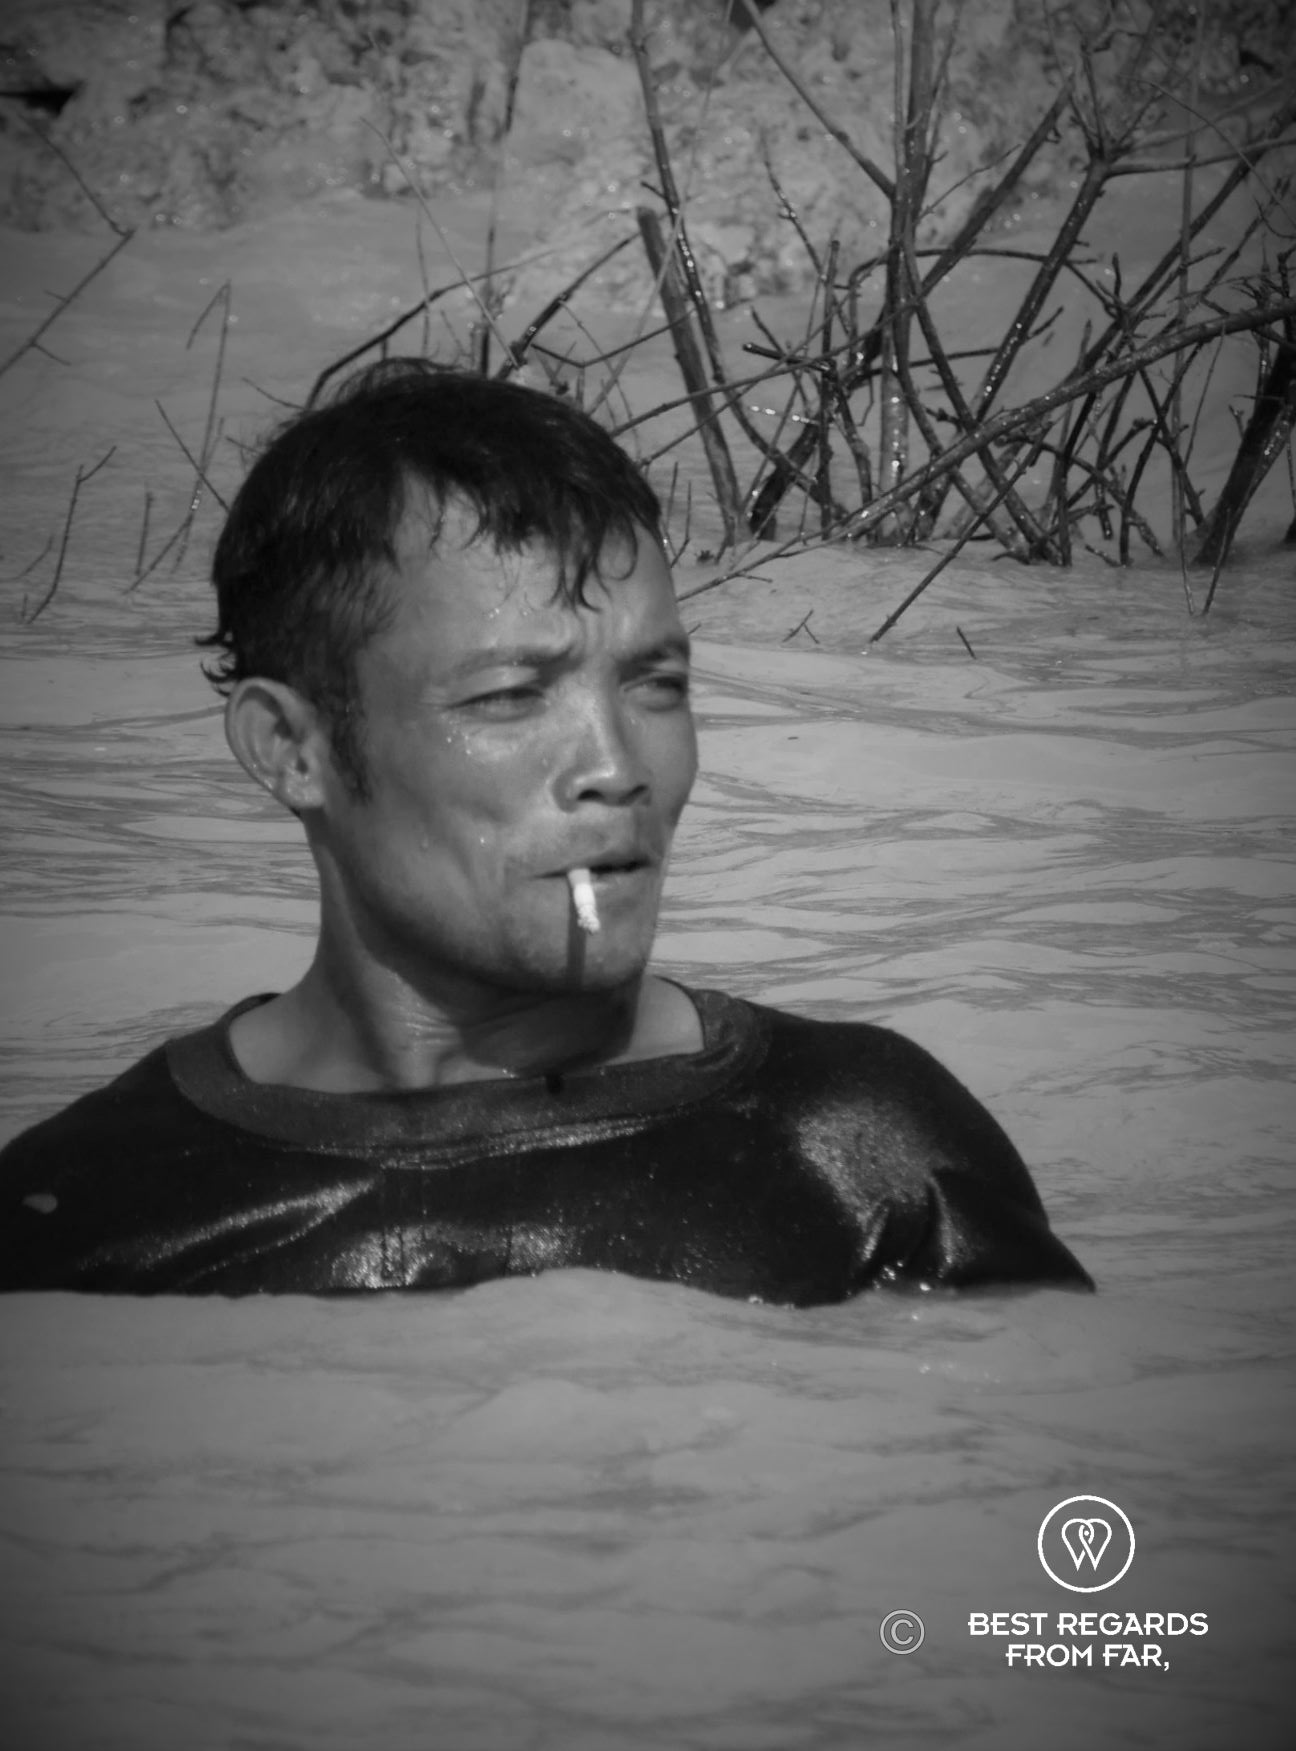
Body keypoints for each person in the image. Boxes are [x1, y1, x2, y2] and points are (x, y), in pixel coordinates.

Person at [0, 361, 1092, 1301]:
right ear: (294, 748)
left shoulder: (862, 1149)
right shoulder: (83, 1220)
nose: (619, 768)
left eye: (655, 683)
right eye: (512, 697)